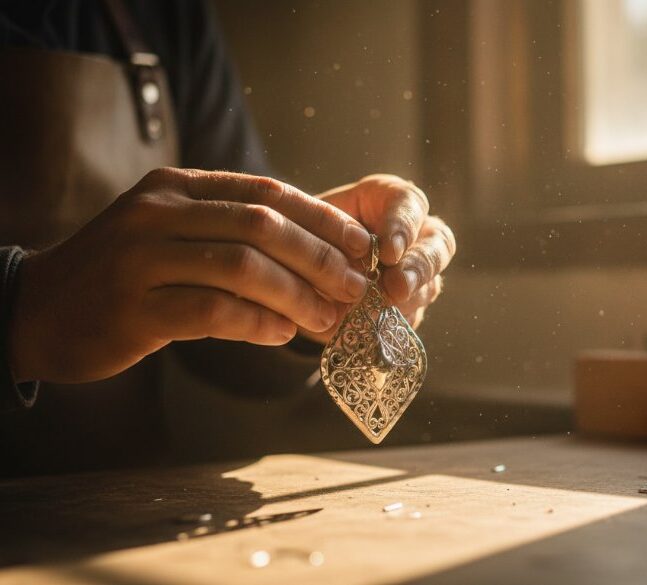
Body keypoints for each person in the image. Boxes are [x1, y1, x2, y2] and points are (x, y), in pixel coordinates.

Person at [0, 0, 455, 475]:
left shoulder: (164, 14)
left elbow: (227, 331)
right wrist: (21, 305)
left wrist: (309, 281)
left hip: (118, 498)